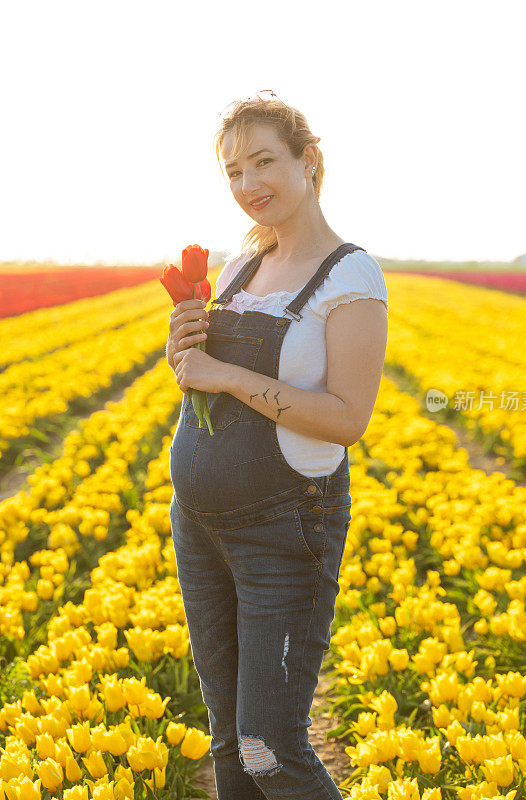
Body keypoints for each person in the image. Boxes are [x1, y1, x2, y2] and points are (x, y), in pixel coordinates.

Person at [165, 90, 388, 799]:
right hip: (199, 527)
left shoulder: (350, 276)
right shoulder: (239, 267)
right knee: (229, 736)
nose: (247, 185)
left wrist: (224, 373)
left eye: (264, 162)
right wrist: (184, 354)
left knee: (270, 747)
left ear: (309, 160)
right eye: (233, 171)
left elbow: (347, 418)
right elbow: (201, 386)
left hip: (284, 532)